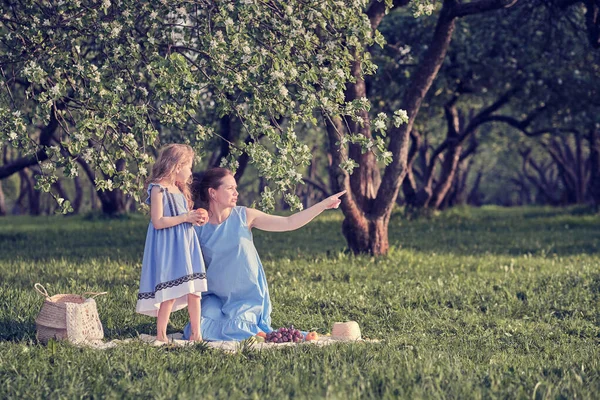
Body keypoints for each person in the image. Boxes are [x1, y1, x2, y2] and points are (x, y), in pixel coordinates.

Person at [183, 167, 345, 341]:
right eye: (230, 188)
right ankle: (253, 334)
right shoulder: (199, 225)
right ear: (212, 193)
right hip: (216, 296)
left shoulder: (244, 216)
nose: (236, 192)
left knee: (239, 325)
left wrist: (323, 205)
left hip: (246, 296)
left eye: (236, 188)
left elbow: (289, 222)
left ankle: (268, 334)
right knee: (196, 328)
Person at [136, 144, 209, 343]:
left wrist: (197, 217)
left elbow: (185, 217)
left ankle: (197, 334)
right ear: (178, 166)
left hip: (186, 243)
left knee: (195, 291)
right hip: (169, 246)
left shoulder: (179, 189)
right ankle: (161, 335)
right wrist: (186, 217)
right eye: (189, 167)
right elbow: (158, 222)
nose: (191, 172)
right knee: (170, 292)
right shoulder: (159, 188)